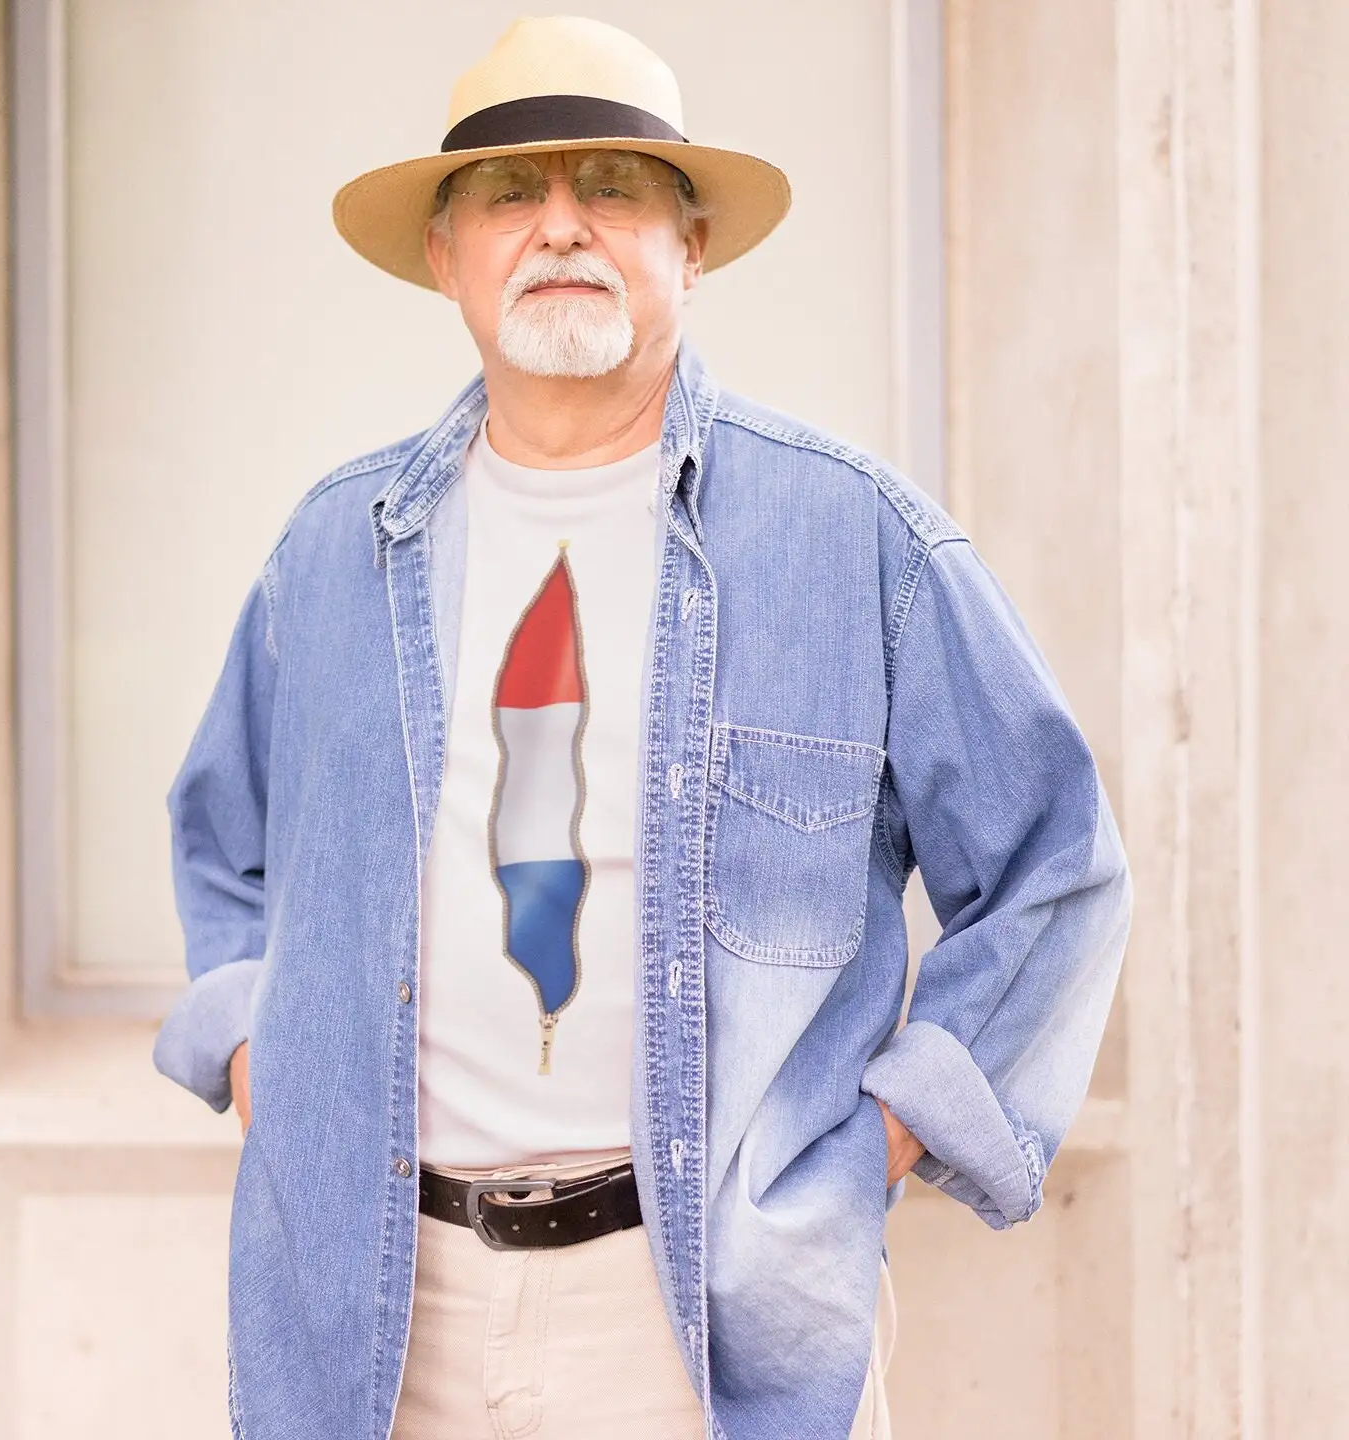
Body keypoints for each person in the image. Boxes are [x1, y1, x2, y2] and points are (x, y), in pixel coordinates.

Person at [152, 16, 1131, 1440]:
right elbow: (222, 841)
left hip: (709, 1320)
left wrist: (877, 1144)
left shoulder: (852, 540)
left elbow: (1056, 862)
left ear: (690, 243)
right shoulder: (334, 552)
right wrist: (263, 1063)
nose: (560, 226)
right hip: (372, 1310)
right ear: (445, 255)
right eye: (509, 193)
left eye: (610, 186)